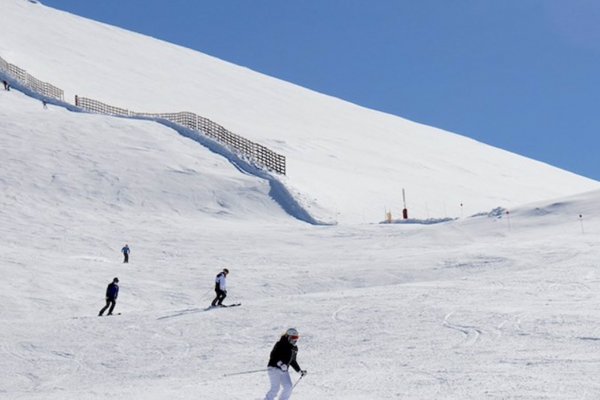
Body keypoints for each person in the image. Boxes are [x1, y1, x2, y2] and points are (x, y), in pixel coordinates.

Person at [264, 328, 307, 400]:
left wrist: (299, 371)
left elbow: (293, 361)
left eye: (296, 338)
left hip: (284, 371)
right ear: (288, 337)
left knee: (288, 387)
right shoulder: (280, 344)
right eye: (293, 337)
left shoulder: (294, 348)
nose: (295, 340)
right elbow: (273, 355)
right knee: (275, 389)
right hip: (274, 368)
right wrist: (280, 364)